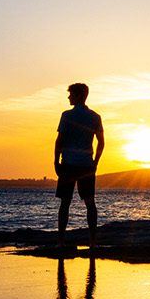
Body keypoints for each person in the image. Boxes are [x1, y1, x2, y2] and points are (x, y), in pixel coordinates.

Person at [54, 81, 104, 243]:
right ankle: (92, 242)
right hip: (86, 165)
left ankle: (61, 241)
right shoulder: (95, 117)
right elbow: (101, 142)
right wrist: (95, 162)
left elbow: (59, 141)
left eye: (71, 94)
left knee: (65, 203)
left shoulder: (67, 115)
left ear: (79, 96)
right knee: (90, 203)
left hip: (68, 164)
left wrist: (56, 161)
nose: (69, 97)